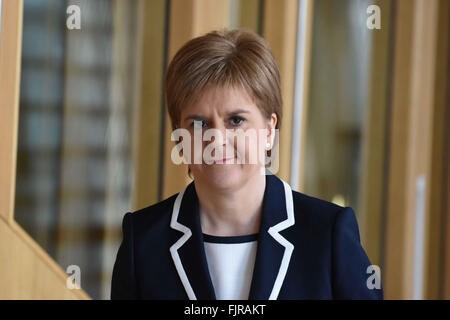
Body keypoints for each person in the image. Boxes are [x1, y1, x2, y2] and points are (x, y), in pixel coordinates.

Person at [111, 28, 383, 300]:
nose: (216, 140)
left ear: (268, 130)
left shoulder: (327, 234)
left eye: (236, 120)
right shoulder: (143, 241)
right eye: (198, 124)